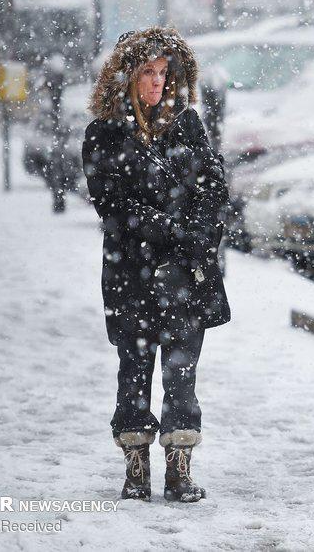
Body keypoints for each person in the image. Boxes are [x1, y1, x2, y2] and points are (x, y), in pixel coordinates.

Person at [82, 27, 230, 503]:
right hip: (131, 272)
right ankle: (136, 465)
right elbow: (114, 204)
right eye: (147, 72)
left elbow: (213, 186)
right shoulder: (104, 134)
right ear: (126, 76)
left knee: (183, 372)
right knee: (134, 367)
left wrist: (196, 231)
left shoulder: (187, 125)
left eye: (164, 73)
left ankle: (180, 466)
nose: (157, 83)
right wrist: (172, 228)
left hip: (185, 274)